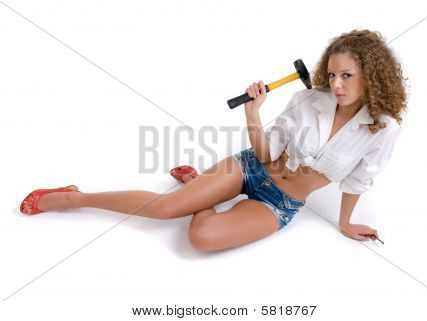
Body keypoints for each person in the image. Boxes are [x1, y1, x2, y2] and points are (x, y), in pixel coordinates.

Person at [19, 29, 407, 252]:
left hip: (282, 201)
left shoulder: (383, 127)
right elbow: (267, 151)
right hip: (253, 166)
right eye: (333, 74)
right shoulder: (308, 99)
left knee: (201, 238)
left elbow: (360, 179)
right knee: (164, 210)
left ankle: (196, 186)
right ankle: (73, 196)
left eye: (348, 76)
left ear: (371, 76)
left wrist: (346, 223)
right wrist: (252, 113)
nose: (336, 85)